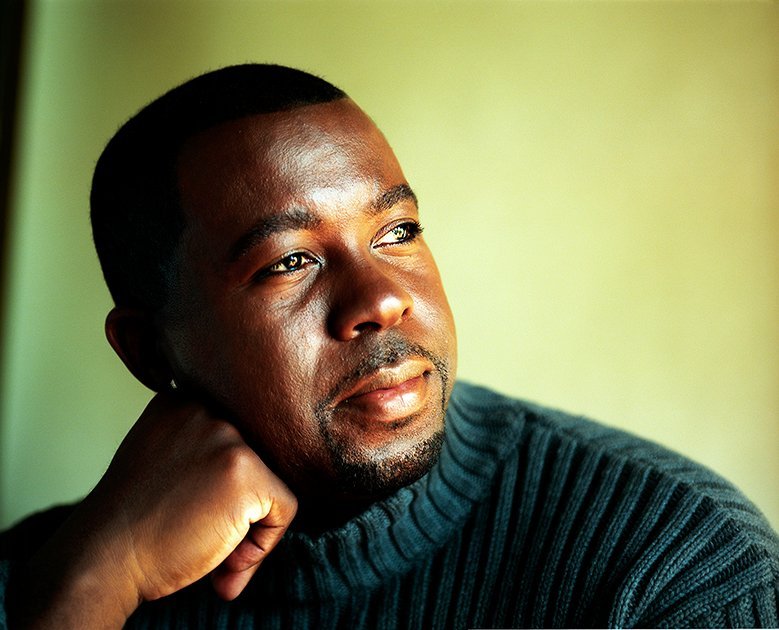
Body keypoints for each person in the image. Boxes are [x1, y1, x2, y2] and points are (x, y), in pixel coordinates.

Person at [0, 64, 777, 629]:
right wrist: (94, 583)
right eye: (289, 262)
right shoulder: (44, 578)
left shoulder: (674, 567)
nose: (381, 299)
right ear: (148, 351)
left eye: (397, 232)